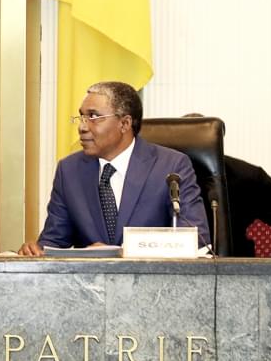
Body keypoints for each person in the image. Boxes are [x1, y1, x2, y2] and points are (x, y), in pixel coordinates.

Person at [19, 82, 210, 256]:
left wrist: (121, 253)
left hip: (152, 287)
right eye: (81, 117)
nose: (82, 127)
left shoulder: (170, 167)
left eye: (93, 117)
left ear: (125, 123)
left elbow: (195, 241)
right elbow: (54, 241)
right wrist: (36, 251)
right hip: (88, 289)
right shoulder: (69, 171)